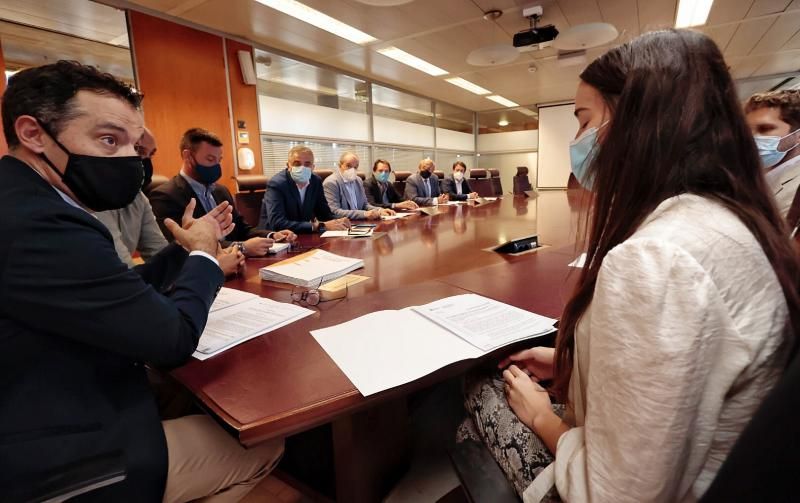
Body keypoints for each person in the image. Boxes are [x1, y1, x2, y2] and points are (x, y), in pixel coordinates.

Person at [458, 30, 800, 502]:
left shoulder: (658, 259)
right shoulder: (729, 219)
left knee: (479, 385)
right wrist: (575, 370)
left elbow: (616, 494)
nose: (577, 142)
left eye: (583, 121)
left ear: (637, 122)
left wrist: (543, 417)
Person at [0, 60, 283, 501]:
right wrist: (206, 255)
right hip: (54, 451)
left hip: (57, 381)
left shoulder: (27, 199)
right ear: (33, 134)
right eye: (109, 140)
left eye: (133, 145)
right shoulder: (39, 221)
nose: (130, 160)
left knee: (185, 394)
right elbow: (172, 338)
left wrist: (185, 249)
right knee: (264, 444)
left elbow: (112, 286)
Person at [150, 128, 295, 257]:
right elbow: (181, 246)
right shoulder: (165, 196)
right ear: (188, 157)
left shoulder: (221, 191)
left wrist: (272, 235)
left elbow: (241, 229)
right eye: (210, 159)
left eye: (219, 160)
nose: (216, 166)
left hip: (237, 264)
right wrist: (241, 247)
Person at [259, 145, 351, 234]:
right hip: (274, 239)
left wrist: (338, 220)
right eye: (297, 164)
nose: (302, 168)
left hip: (302, 235)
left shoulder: (315, 181)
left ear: (313, 167)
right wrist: (319, 226)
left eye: (307, 164)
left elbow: (324, 214)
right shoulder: (277, 184)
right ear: (288, 165)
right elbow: (277, 223)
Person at [744, 90, 800, 218]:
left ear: (798, 136)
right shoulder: (749, 176)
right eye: (746, 130)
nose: (751, 137)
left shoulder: (796, 188)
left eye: (765, 129)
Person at [323, 151, 394, 220]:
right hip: (342, 225)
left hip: (360, 224)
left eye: (355, 167)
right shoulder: (331, 183)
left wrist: (379, 210)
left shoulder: (358, 180)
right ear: (340, 166)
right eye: (348, 166)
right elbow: (334, 211)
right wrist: (364, 214)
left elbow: (365, 205)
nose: (352, 170)